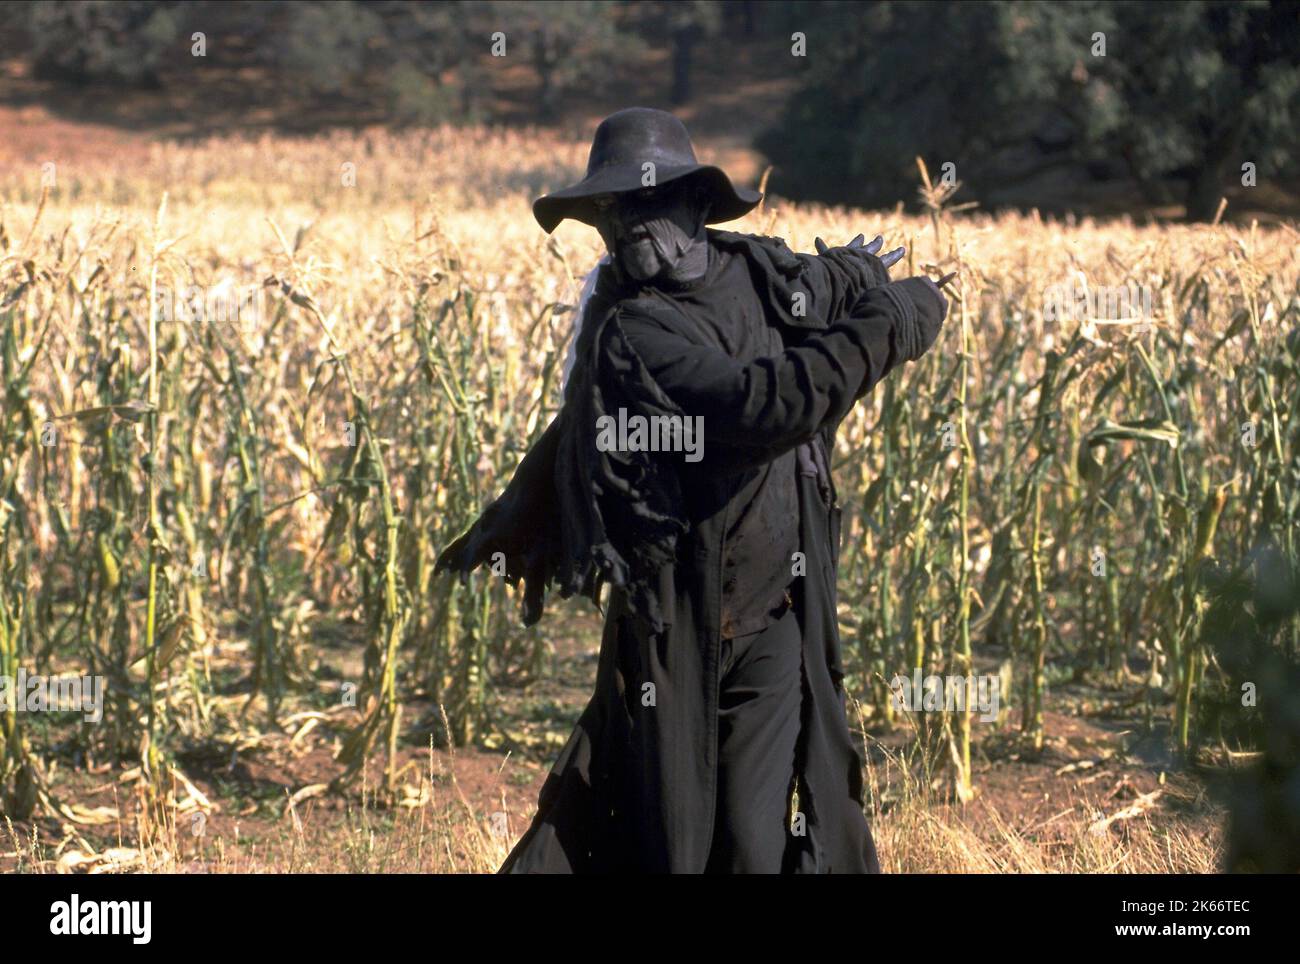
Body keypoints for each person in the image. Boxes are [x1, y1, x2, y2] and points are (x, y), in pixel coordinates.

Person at [437, 107, 950, 873]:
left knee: (753, 842)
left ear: (696, 205)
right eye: (614, 210)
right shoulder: (632, 332)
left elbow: (816, 287)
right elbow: (766, 405)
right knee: (666, 838)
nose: (630, 224)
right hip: (672, 627)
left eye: (648, 203)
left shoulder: (757, 272)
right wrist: (894, 321)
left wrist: (860, 273)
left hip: (775, 619)